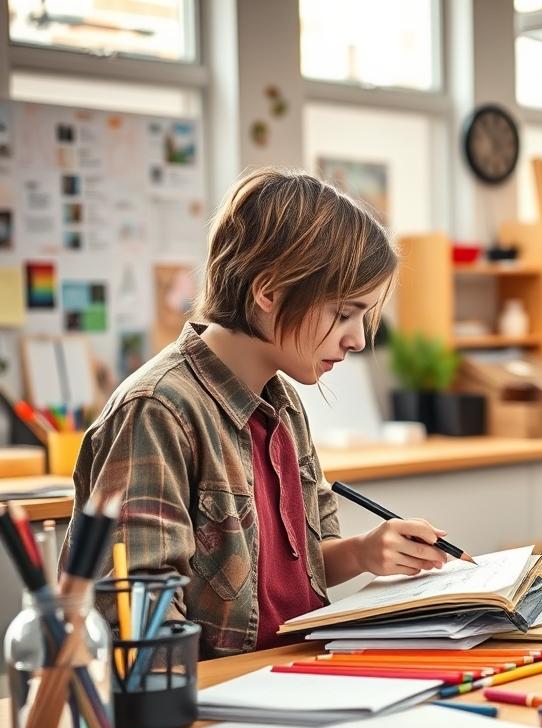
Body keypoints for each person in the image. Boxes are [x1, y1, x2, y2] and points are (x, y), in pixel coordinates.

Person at [70, 168, 456, 658]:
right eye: (344, 313)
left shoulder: (284, 402)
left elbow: (301, 570)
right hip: (217, 704)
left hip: (297, 678)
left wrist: (363, 552)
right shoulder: (158, 410)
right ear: (269, 291)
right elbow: (138, 612)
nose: (357, 339)